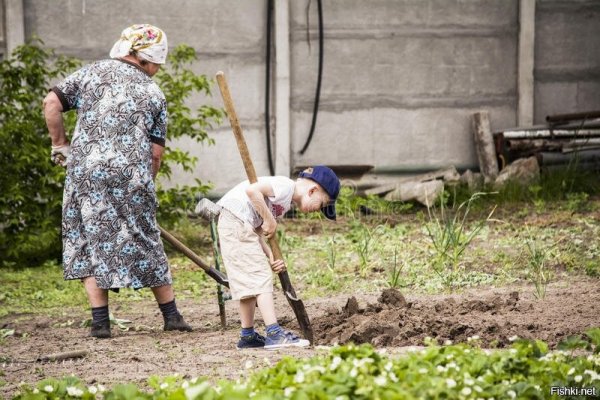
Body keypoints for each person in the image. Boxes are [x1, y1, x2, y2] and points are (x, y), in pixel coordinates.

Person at [43, 24, 191, 338]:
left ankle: (100, 323)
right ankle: (172, 317)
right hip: (132, 178)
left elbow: (51, 104)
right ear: (149, 61)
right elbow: (155, 154)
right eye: (157, 66)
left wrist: (59, 145)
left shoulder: (89, 74)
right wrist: (144, 186)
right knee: (145, 237)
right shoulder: (153, 92)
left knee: (89, 240)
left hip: (86, 175)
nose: (156, 72)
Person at [216, 165, 340, 349]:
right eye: (321, 205)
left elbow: (259, 229)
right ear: (312, 190)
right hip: (237, 222)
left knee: (249, 282)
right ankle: (274, 333)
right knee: (260, 278)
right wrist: (269, 219)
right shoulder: (286, 186)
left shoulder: (284, 203)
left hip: (239, 225)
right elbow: (252, 190)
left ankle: (247, 336)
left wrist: (271, 256)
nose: (318, 211)